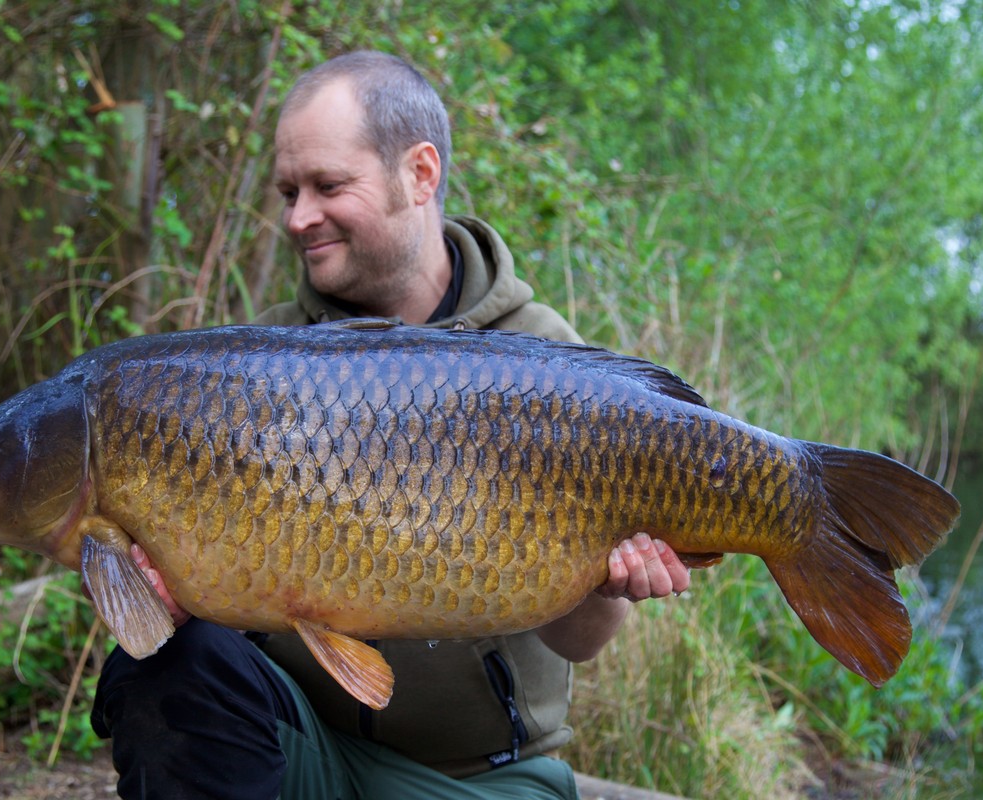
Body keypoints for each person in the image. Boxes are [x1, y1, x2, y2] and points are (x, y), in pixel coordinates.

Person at [91, 51, 691, 800]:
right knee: (164, 668)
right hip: (301, 756)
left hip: (481, 784)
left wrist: (616, 578)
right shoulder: (250, 365)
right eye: (287, 191)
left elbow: (581, 643)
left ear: (421, 173)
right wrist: (171, 594)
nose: (297, 217)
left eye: (328, 186)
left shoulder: (547, 365)